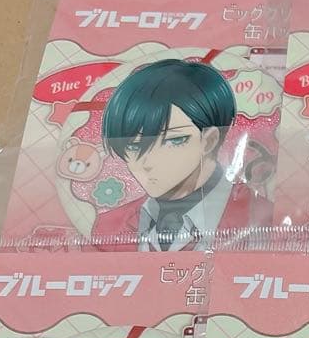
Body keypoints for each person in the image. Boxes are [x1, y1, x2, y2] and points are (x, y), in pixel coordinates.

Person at [94, 58, 271, 250]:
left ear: (209, 140)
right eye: (134, 146)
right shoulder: (108, 227)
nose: (148, 162)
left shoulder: (265, 218)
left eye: (173, 140)